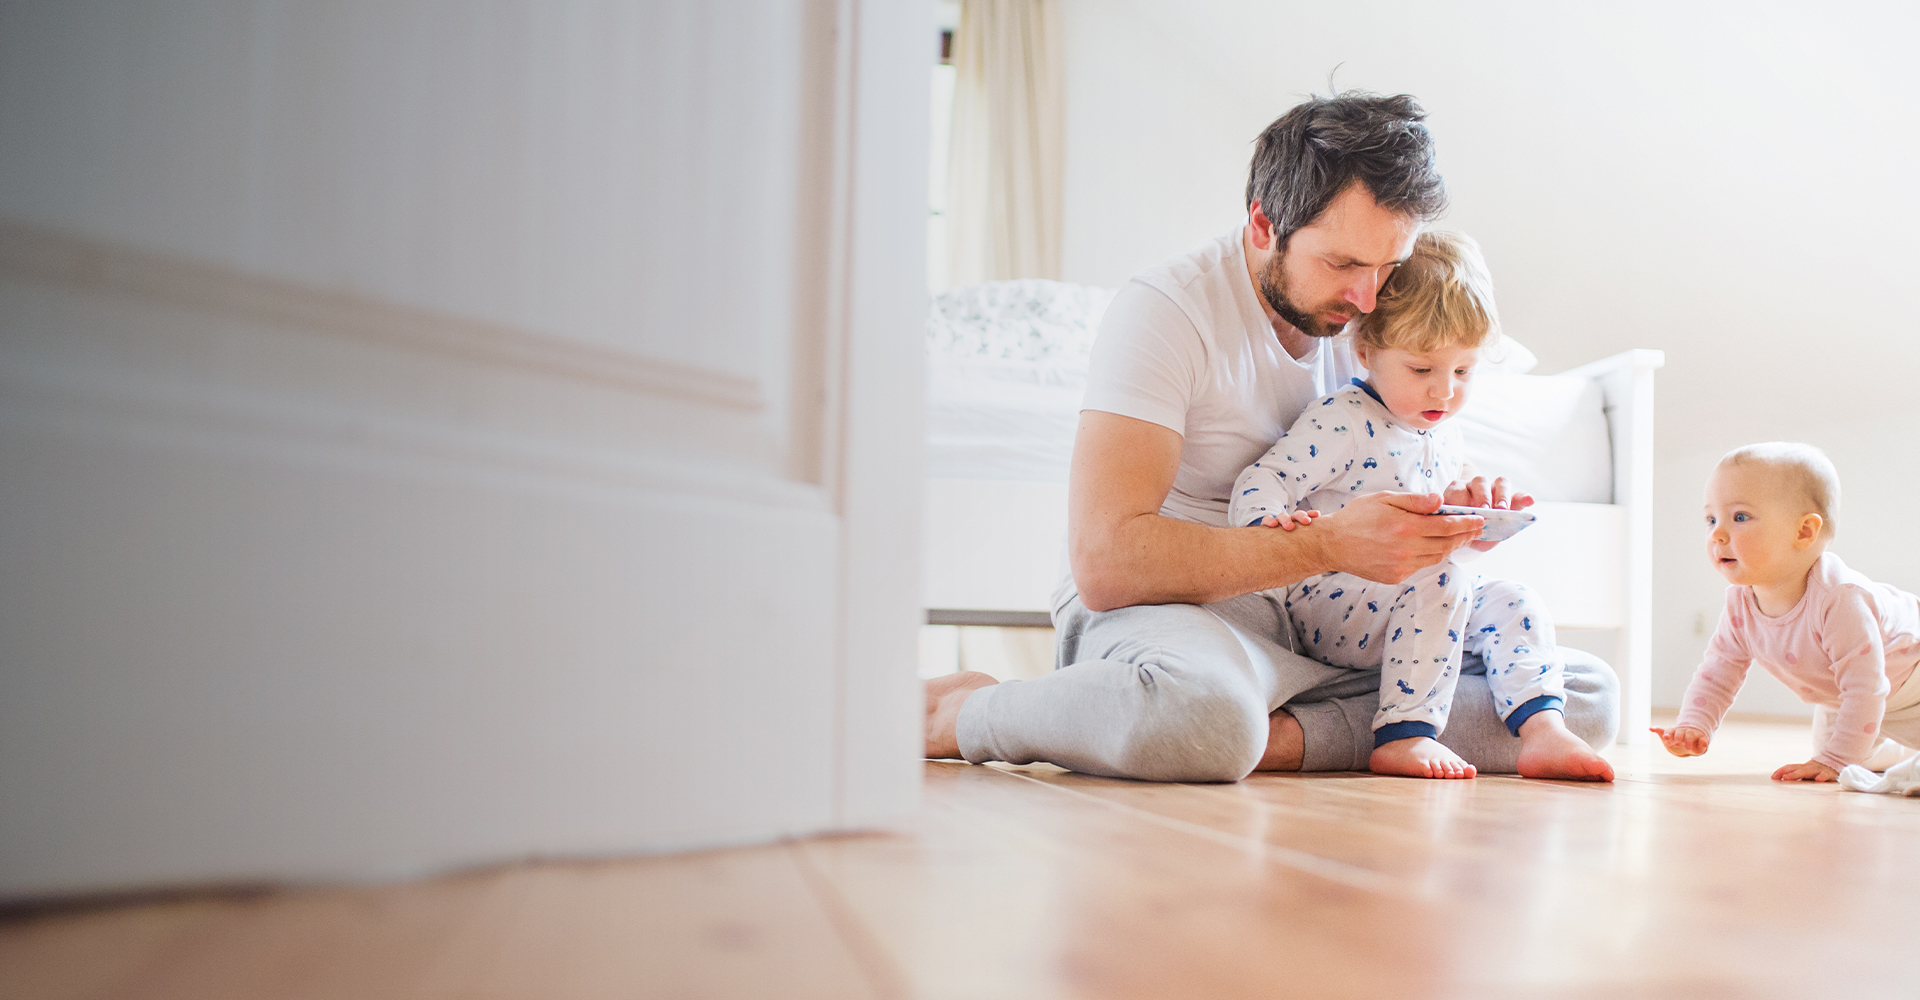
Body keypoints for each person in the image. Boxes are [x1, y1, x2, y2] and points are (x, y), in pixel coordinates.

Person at [924, 92, 1619, 782]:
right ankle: (968, 712)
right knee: (1203, 710)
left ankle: (1278, 734)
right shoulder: (1167, 313)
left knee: (1584, 695)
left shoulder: (1376, 319)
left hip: (1336, 620)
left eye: (1388, 266)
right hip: (1185, 615)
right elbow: (1104, 566)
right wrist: (1326, 543)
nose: (1369, 300)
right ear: (1263, 225)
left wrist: (1448, 517)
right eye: (1343, 265)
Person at [1229, 230, 1614, 781]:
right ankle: (1405, 733)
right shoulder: (1345, 419)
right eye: (1422, 370)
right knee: (1442, 582)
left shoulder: (1441, 433)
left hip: (1413, 600)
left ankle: (1543, 731)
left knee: (1514, 598)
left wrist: (1471, 514)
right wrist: (1270, 523)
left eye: (1463, 372)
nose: (1445, 393)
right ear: (1366, 352)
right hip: (1330, 599)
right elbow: (1264, 477)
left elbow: (1436, 522)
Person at [1652, 443, 1920, 781]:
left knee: (1838, 760)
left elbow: (1866, 688)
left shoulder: (1840, 600)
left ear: (1804, 532)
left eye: (1739, 517)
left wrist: (1836, 759)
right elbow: (1718, 671)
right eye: (1711, 519)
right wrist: (1694, 724)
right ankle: (1897, 752)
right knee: (1844, 761)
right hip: (1847, 700)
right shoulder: (1740, 604)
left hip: (1911, 686)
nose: (1717, 534)